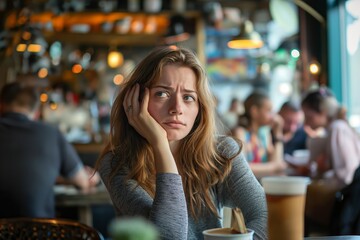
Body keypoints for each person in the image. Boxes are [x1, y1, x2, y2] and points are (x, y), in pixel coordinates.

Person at [95, 46, 267, 240]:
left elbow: (267, 217)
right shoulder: (116, 164)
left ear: (199, 108)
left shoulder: (221, 152)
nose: (177, 108)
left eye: (188, 97)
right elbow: (168, 237)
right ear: (135, 100)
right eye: (162, 93)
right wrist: (160, 143)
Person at [0, 81, 100, 218]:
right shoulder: (51, 134)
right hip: (38, 230)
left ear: (1, 106)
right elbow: (84, 182)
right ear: (36, 113)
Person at [301, 87, 360, 186]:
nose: (306, 122)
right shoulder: (332, 129)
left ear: (323, 112)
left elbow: (346, 176)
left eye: (309, 117)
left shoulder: (337, 128)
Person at [231, 90, 287, 179]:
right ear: (255, 111)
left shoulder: (264, 134)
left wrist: (277, 132)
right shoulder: (240, 133)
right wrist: (273, 166)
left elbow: (277, 161)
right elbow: (240, 168)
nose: (273, 116)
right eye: (269, 110)